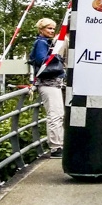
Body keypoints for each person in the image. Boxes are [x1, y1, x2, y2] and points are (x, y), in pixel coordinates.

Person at [30, 18, 65, 158]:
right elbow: (41, 60)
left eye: (53, 28)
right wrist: (56, 57)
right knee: (55, 115)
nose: (51, 31)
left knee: (57, 114)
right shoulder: (41, 43)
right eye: (49, 28)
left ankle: (58, 144)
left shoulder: (45, 42)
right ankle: (56, 147)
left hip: (52, 83)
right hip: (48, 83)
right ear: (41, 29)